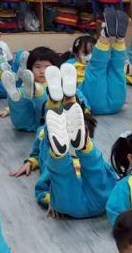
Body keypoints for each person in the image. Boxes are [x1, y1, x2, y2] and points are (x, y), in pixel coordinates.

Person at [33, 84, 117, 219]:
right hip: (101, 201)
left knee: (61, 174)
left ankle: (59, 154)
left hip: (68, 206)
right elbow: (109, 177)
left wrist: (52, 199)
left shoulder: (49, 159)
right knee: (95, 168)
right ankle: (85, 147)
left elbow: (40, 189)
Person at [78, 8, 130, 115]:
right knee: (117, 67)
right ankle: (118, 38)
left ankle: (107, 34)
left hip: (93, 102)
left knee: (97, 68)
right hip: (117, 103)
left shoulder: (71, 63)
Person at [0, 47, 55, 132]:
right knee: (21, 97)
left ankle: (37, 91)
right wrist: (8, 109)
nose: (42, 71)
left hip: (46, 122)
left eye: (47, 67)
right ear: (30, 69)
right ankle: (15, 94)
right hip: (25, 123)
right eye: (37, 67)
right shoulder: (27, 84)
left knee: (46, 97)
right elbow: (23, 104)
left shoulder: (55, 84)